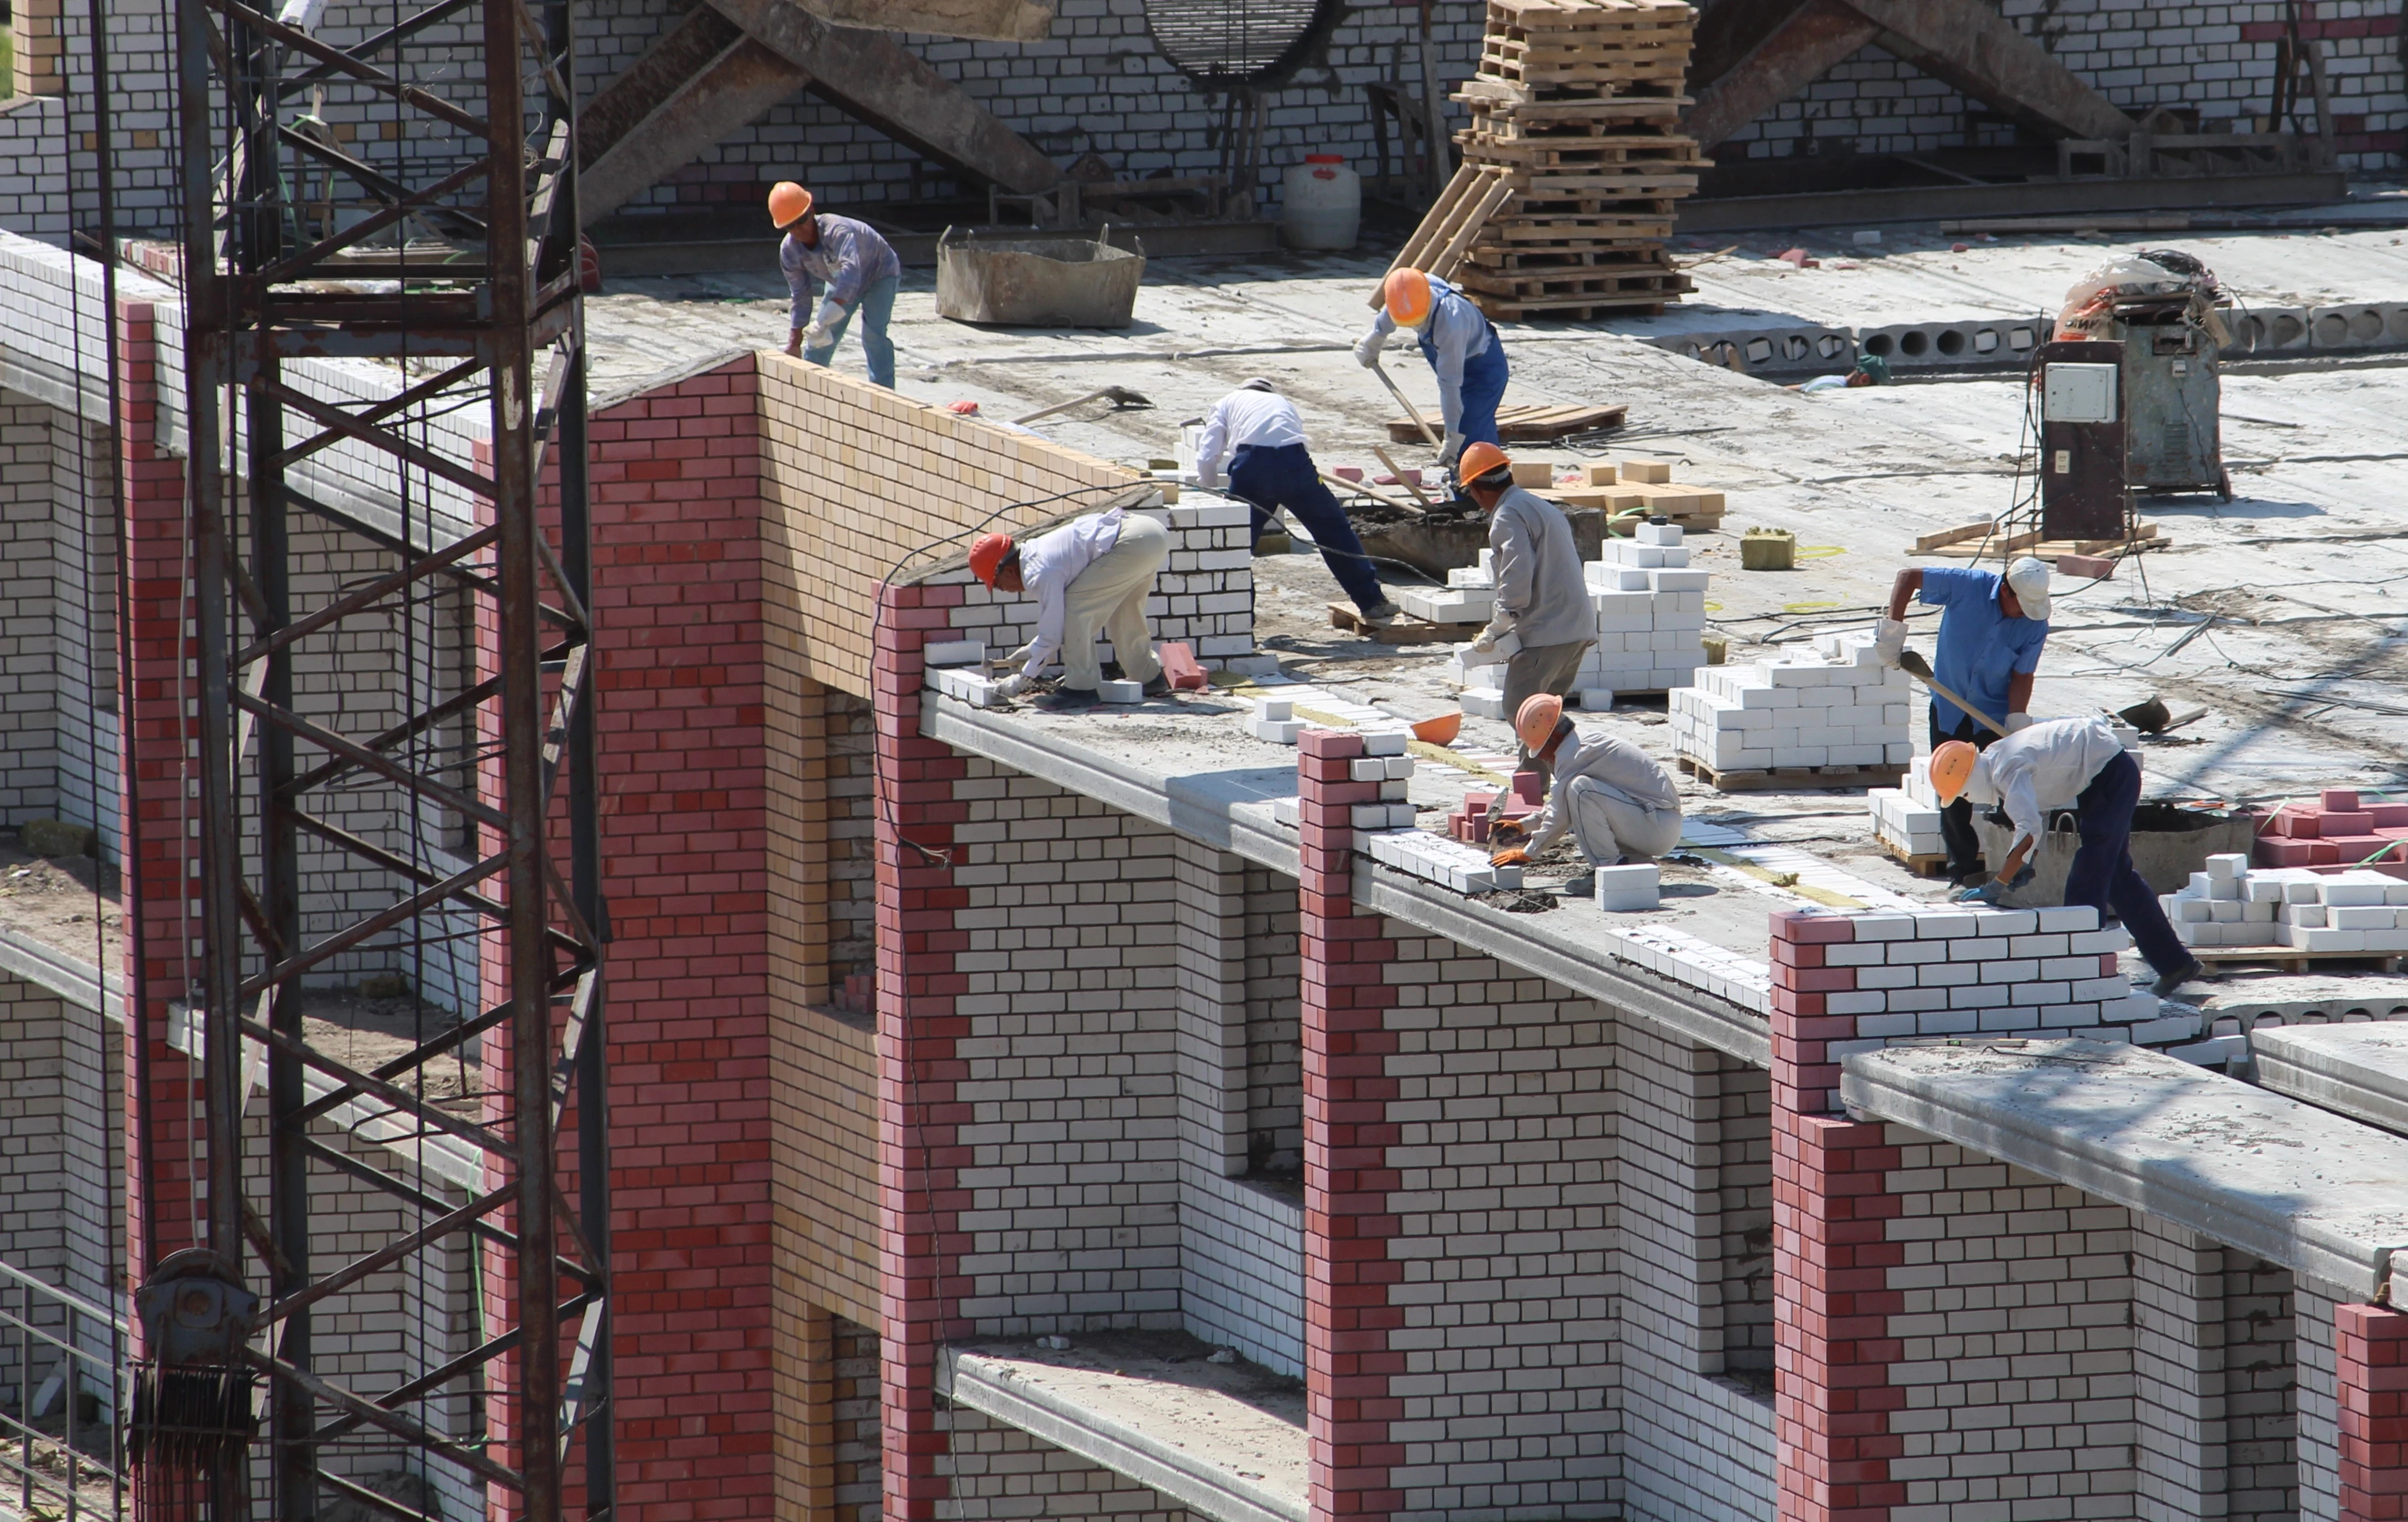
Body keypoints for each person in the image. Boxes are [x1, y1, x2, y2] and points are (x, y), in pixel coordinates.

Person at [1933, 718, 2203, 996]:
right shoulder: (1998, 762)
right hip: (2102, 774)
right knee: (2117, 878)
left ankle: (2081, 976)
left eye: (1963, 793)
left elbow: (2028, 829)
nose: (1967, 799)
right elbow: (2036, 816)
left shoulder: (2005, 769)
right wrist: (2025, 863)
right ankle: (2175, 964)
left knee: (2087, 877)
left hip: (2110, 775)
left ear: (1969, 776)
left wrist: (1998, 884)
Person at [1876, 556, 2052, 887]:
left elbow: (2022, 674)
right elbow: (1908, 577)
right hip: (1950, 705)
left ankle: (2011, 869)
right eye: (2021, 607)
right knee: (1953, 790)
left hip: (1993, 713)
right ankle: (1963, 869)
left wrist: (2016, 722)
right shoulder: (1967, 587)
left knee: (2008, 790)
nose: (2025, 615)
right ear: (2006, 591)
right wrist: (1892, 633)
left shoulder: (2035, 624)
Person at [1195, 379, 1399, 622]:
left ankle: (1238, 624)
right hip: (1297, 465)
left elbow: (1208, 456)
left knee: (1236, 544)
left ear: (1242, 389)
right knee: (1335, 532)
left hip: (1253, 468)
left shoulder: (1227, 402)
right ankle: (1372, 602)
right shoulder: (1283, 402)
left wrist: (1208, 495)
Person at [1458, 442, 1593, 777]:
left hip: (1547, 632)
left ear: (1476, 490)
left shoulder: (1507, 515)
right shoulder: (1538, 505)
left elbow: (1516, 575)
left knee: (1522, 710)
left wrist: (1498, 626)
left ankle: (1553, 779)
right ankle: (1550, 783)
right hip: (1575, 629)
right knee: (1544, 716)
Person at [969, 503, 1170, 712]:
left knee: (1073, 609)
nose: (1005, 591)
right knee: (1125, 610)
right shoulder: (1036, 553)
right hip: (1150, 533)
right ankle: (1149, 675)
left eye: (998, 585)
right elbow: (1053, 633)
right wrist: (1032, 651)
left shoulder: (1038, 572)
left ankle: (1081, 689)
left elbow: (1056, 631)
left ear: (1008, 571)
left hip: (1130, 542)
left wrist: (1022, 680)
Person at [1488, 695, 1682, 898]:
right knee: (1578, 791)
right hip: (1654, 822)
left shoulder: (1572, 754)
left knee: (1581, 791)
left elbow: (1559, 817)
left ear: (1553, 738)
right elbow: (1559, 804)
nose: (1544, 758)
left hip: (1657, 824)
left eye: (1542, 750)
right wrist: (1522, 826)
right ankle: (1635, 868)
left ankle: (1609, 870)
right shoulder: (1577, 743)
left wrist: (1528, 853)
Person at [1352, 266, 1508, 466]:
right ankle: (1492, 484)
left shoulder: (1452, 323)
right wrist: (1375, 338)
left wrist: (1452, 436)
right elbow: (1390, 313)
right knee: (1480, 432)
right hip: (1456, 357)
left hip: (1483, 371)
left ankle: (1471, 492)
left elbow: (1449, 385)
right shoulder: (1409, 288)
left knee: (1467, 439)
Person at [770, 181, 902, 389]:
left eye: (802, 220)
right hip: (840, 281)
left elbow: (852, 270)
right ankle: (810, 388)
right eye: (790, 225)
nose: (799, 229)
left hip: (880, 273)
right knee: (819, 337)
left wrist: (835, 306)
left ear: (812, 211)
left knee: (873, 334)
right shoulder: (790, 251)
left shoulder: (836, 229)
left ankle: (884, 392)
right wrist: (794, 344)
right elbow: (801, 296)